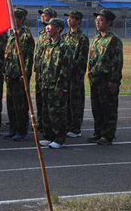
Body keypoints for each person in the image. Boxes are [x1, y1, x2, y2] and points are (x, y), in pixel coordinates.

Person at [87, 9, 123, 145]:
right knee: (96, 108)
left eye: (101, 20)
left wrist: (114, 80)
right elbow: (91, 59)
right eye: (97, 20)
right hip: (95, 79)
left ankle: (108, 135)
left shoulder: (113, 40)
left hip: (107, 79)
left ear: (109, 22)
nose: (97, 22)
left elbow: (117, 62)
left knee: (108, 108)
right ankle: (98, 133)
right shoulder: (96, 39)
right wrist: (89, 74)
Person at [38, 18, 72, 149]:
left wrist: (60, 86)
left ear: (58, 29)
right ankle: (48, 136)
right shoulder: (47, 46)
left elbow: (66, 69)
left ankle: (60, 138)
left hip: (56, 86)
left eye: (51, 26)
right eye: (47, 26)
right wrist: (41, 81)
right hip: (46, 84)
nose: (47, 28)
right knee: (46, 112)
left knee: (58, 113)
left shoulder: (64, 47)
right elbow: (42, 66)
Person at [2, 7, 35, 142]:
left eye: (15, 18)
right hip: (10, 74)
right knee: (10, 103)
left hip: (19, 75)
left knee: (20, 104)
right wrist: (5, 71)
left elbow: (28, 57)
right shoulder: (12, 34)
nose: (12, 20)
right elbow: (7, 55)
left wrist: (24, 74)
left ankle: (21, 131)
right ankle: (13, 129)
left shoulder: (26, 35)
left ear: (21, 19)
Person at [62, 10, 90, 138]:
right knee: (66, 101)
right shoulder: (65, 37)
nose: (69, 20)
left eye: (72, 18)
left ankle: (75, 128)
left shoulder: (82, 38)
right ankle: (67, 125)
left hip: (75, 74)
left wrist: (79, 75)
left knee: (76, 102)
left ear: (78, 21)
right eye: (68, 18)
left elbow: (82, 58)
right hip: (66, 74)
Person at [34, 8, 57, 132]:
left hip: (49, 72)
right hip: (40, 71)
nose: (43, 18)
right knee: (39, 98)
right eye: (42, 16)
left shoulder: (54, 34)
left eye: (46, 15)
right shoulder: (43, 33)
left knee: (48, 100)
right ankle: (41, 122)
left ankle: (48, 125)